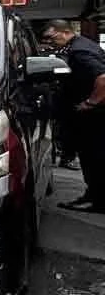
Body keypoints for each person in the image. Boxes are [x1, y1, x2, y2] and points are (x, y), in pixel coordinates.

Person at [43, 19, 105, 212]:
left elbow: (103, 79)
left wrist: (90, 102)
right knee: (92, 158)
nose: (49, 42)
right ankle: (94, 196)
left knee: (94, 158)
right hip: (90, 116)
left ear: (64, 32)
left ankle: (98, 201)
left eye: (51, 37)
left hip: (94, 117)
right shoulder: (81, 45)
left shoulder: (79, 51)